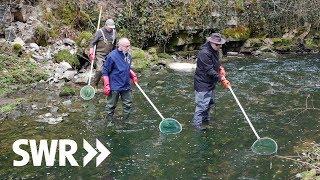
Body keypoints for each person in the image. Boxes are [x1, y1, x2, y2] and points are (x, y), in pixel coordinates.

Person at [193, 33, 230, 130]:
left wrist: (220, 68)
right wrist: (221, 78)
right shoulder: (204, 53)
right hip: (202, 84)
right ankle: (197, 126)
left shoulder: (215, 50)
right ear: (211, 42)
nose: (220, 46)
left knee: (210, 102)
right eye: (218, 44)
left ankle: (205, 120)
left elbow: (215, 63)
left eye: (220, 44)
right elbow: (209, 70)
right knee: (201, 106)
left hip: (210, 83)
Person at [102, 38, 138, 120]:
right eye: (126, 46)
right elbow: (105, 71)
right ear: (120, 46)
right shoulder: (112, 56)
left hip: (126, 84)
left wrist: (133, 75)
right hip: (115, 85)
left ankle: (126, 121)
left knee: (128, 104)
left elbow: (127, 68)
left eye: (129, 46)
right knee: (111, 106)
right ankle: (109, 122)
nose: (128, 48)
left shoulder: (128, 56)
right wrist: (106, 85)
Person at [89, 18, 117, 90]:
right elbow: (92, 43)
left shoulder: (114, 32)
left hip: (110, 55)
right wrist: (91, 52)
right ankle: (94, 84)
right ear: (106, 25)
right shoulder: (99, 32)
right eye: (110, 27)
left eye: (112, 28)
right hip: (100, 54)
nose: (111, 29)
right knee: (99, 70)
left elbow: (115, 44)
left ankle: (108, 85)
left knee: (111, 70)